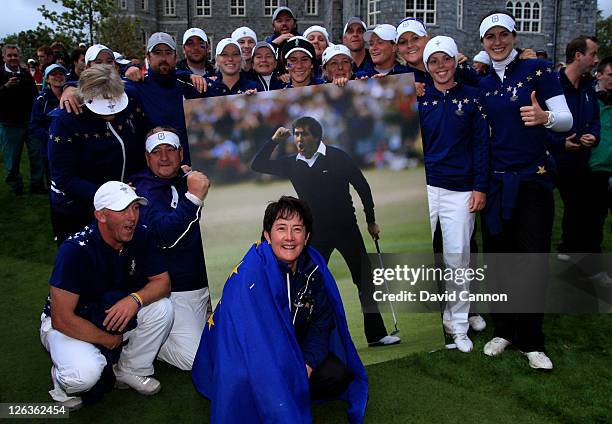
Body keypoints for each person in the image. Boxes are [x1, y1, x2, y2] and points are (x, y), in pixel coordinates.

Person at [192, 196, 367, 423]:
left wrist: (307, 364)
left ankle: (290, 391)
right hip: (249, 353)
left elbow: (321, 323)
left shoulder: (313, 270)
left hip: (294, 349)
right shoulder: (250, 275)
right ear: (267, 235)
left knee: (337, 375)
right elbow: (248, 339)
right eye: (281, 228)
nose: (289, 238)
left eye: (297, 229)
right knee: (243, 383)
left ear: (307, 237)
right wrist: (276, 375)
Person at [251, 116, 400, 346]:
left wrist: (370, 220)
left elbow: (362, 186)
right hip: (315, 234)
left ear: (317, 136)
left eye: (304, 134)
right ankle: (306, 341)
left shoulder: (337, 157)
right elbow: (257, 165)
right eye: (297, 134)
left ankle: (376, 334)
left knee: (365, 280)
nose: (299, 139)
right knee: (308, 284)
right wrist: (273, 141)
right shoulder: (293, 163)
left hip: (346, 229)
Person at [477, 10, 573, 370]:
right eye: (491, 37)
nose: (498, 42)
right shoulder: (484, 82)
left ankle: (532, 340)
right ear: (483, 42)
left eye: (504, 35)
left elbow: (567, 121)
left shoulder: (539, 73)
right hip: (497, 183)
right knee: (499, 260)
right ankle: (505, 330)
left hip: (533, 179)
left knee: (531, 260)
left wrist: (545, 117)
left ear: (514, 37)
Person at [40, 181, 173, 410]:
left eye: (135, 208)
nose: (132, 217)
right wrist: (109, 340)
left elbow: (163, 283)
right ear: (101, 216)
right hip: (67, 322)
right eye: (123, 210)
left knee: (163, 308)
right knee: (84, 375)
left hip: (108, 309)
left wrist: (135, 299)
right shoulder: (75, 250)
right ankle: (62, 380)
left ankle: (130, 370)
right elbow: (61, 317)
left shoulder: (140, 235)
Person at [418, 36, 489, 352]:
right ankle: (421, 327)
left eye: (445, 59)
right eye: (433, 61)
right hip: (425, 187)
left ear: (455, 61)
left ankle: (457, 325)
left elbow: (481, 145)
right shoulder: (418, 98)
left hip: (461, 190)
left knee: (457, 258)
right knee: (420, 257)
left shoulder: (472, 98)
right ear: (426, 66)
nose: (440, 66)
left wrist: (480, 186)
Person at [130, 128, 211, 370]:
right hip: (177, 290)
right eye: (156, 152)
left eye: (170, 150)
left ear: (181, 153)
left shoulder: (185, 178)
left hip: (206, 283)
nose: (164, 157)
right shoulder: (141, 191)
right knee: (194, 360)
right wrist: (194, 197)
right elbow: (163, 236)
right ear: (147, 158)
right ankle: (146, 338)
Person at [48, 65, 150, 244]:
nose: (111, 113)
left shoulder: (131, 97)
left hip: (126, 199)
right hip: (80, 208)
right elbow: (63, 177)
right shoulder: (65, 120)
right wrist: (110, 195)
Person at [551, 36, 609, 284]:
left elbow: (594, 120)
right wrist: (559, 143)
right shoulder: (551, 84)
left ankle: (587, 268)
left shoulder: (587, 87)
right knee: (538, 218)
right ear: (578, 55)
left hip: (579, 163)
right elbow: (534, 122)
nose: (595, 59)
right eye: (593, 54)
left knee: (585, 216)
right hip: (549, 162)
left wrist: (593, 136)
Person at [0, 44, 41, 195]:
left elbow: (35, 95)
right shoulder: (0, 73)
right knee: (12, 158)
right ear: (3, 57)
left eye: (15, 55)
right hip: (9, 124)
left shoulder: (25, 74)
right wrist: (5, 87)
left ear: (19, 57)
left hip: (29, 122)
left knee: (36, 154)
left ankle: (36, 184)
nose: (13, 58)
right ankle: (16, 186)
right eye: (9, 55)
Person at [30, 64, 66, 189]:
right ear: (47, 79)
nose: (58, 77)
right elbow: (34, 126)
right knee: (55, 183)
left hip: (72, 146)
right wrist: (50, 137)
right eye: (53, 74)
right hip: (51, 149)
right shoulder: (41, 100)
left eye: (60, 74)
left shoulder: (72, 96)